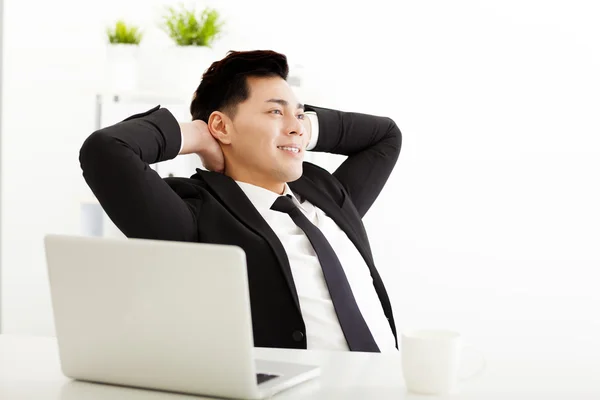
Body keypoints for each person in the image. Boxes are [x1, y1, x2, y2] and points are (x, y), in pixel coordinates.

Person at [80, 50, 402, 353]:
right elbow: (105, 150)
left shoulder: (327, 193)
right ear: (222, 125)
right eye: (275, 111)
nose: (297, 127)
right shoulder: (199, 217)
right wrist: (199, 135)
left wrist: (298, 124)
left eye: (301, 115)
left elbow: (386, 135)